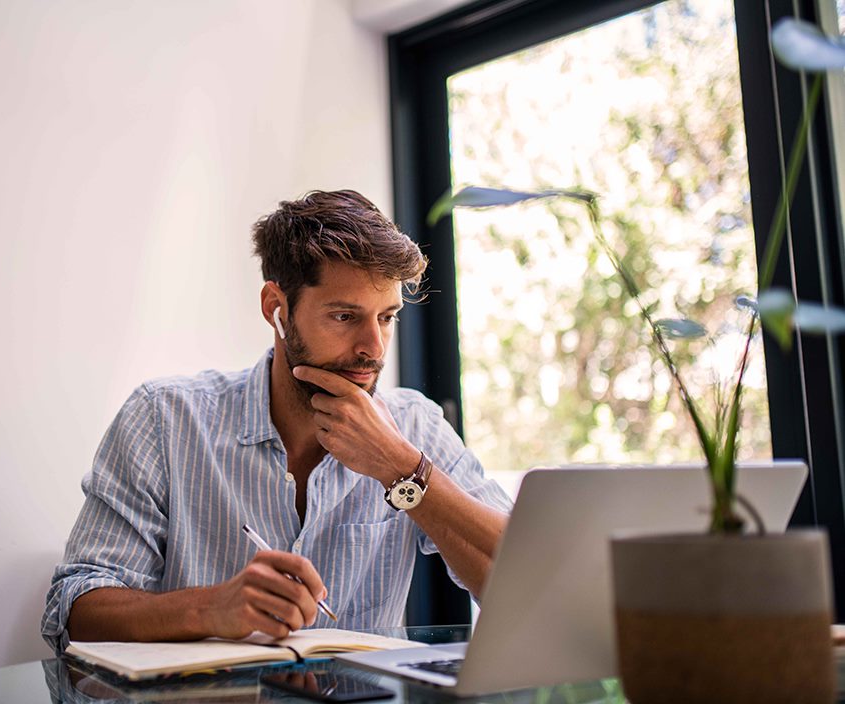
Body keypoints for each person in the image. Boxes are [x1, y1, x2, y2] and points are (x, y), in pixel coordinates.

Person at [42, 190, 512, 651]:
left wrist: (402, 468)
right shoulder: (164, 419)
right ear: (276, 308)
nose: (374, 347)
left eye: (386, 317)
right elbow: (73, 610)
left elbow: (524, 583)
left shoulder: (414, 427)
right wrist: (210, 609)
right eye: (345, 316)